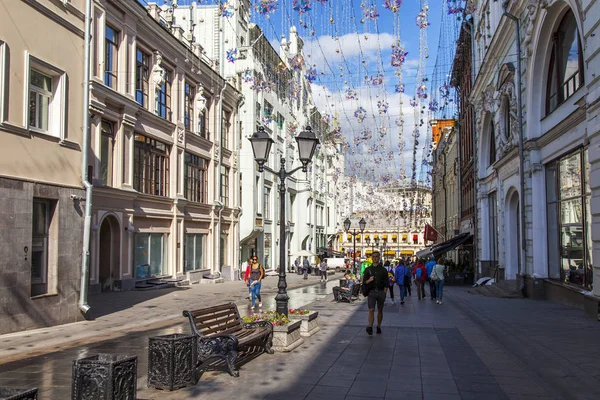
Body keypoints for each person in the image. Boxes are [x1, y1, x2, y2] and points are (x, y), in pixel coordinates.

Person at [362, 251, 388, 335]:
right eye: (373, 256)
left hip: (380, 292)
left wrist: (384, 293)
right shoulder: (368, 269)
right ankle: (370, 327)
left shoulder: (383, 270)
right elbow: (364, 282)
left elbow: (386, 283)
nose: (375, 258)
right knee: (371, 309)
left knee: (380, 310)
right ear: (371, 258)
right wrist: (369, 280)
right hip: (372, 292)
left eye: (376, 256)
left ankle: (378, 326)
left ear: (379, 258)